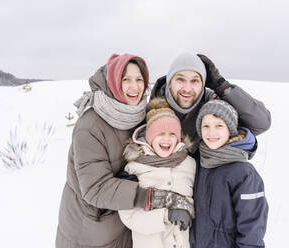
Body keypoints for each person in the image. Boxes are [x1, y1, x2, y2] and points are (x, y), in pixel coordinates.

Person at [56, 54, 193, 248]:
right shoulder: (91, 125)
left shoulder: (137, 115)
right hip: (91, 229)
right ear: (113, 82)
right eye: (126, 79)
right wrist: (157, 198)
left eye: (139, 80)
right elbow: (95, 187)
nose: (134, 87)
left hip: (126, 223)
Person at [150, 53, 271, 154]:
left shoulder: (212, 105)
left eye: (195, 81)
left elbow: (261, 123)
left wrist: (222, 87)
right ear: (170, 82)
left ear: (203, 84)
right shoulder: (151, 110)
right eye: (180, 79)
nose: (187, 89)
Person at [118, 97, 196, 248]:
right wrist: (166, 216)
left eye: (172, 134)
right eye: (160, 133)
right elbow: (128, 216)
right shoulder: (134, 168)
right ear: (149, 136)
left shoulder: (189, 164)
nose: (167, 139)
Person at [190, 99, 268, 248]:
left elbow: (252, 227)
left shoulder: (244, 173)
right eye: (206, 126)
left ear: (230, 129)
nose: (211, 132)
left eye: (219, 125)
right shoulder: (197, 163)